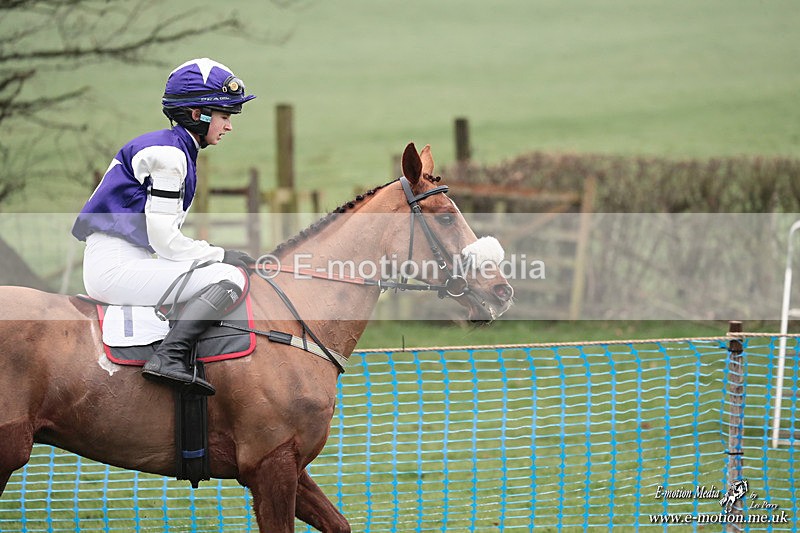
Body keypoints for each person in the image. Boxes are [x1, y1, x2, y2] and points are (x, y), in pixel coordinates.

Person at [72, 58, 257, 396]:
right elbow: (165, 241)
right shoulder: (170, 156)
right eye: (225, 116)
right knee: (229, 277)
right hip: (117, 267)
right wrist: (220, 255)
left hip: (124, 260)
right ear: (198, 114)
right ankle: (169, 357)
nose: (229, 126)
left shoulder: (173, 147)